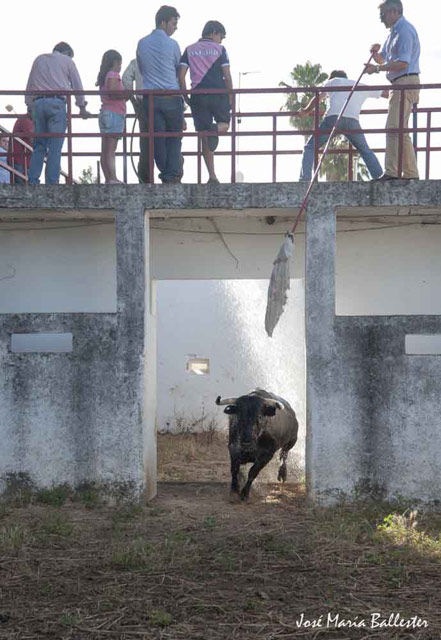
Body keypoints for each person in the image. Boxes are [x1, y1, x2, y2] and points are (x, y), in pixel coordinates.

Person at [365, 0, 420, 180]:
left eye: (384, 14)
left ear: (395, 11)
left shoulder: (404, 31)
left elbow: (402, 63)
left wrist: (377, 69)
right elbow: (387, 62)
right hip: (399, 82)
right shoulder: (393, 34)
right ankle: (409, 172)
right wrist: (376, 57)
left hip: (404, 81)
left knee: (394, 128)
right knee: (399, 129)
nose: (382, 19)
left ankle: (392, 171)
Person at [299, 71, 385, 182]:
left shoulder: (332, 81)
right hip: (353, 121)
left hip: (333, 119)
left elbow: (318, 99)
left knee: (310, 147)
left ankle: (305, 179)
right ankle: (379, 176)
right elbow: (386, 93)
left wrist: (306, 111)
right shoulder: (359, 84)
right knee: (364, 149)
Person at [25, 42, 91, 184]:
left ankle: (33, 180)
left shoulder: (39, 59)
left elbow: (30, 83)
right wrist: (81, 107)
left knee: (39, 145)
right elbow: (77, 85)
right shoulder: (67, 61)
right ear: (67, 52)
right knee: (55, 146)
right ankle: (52, 181)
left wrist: (29, 105)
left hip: (38, 103)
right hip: (57, 103)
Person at [179, 20, 232, 184]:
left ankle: (212, 176)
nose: (221, 41)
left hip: (198, 96)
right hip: (218, 93)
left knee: (204, 136)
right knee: (224, 124)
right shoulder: (221, 50)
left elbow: (180, 76)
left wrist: (186, 95)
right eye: (220, 37)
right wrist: (230, 97)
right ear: (214, 32)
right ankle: (214, 129)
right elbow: (227, 75)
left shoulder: (189, 49)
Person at [137, 5, 184, 183]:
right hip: (171, 96)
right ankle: (170, 175)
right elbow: (178, 69)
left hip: (151, 98)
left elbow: (141, 69)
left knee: (157, 138)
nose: (175, 27)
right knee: (174, 138)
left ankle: (164, 170)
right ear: (163, 22)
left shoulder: (142, 43)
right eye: (174, 23)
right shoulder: (173, 44)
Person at [97, 50, 127, 184]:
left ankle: (109, 177)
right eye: (120, 64)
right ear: (115, 62)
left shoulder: (104, 76)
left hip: (106, 112)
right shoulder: (113, 75)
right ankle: (112, 178)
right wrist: (127, 94)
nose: (120, 67)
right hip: (114, 113)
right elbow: (113, 93)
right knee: (111, 149)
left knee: (105, 148)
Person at [122, 58, 150, 183]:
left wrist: (133, 100)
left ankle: (145, 179)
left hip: (143, 103)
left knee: (146, 144)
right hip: (166, 102)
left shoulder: (137, 61)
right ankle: (171, 177)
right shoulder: (167, 56)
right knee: (168, 141)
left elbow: (126, 78)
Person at [7, 108, 34, 184]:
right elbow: (33, 139)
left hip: (23, 160)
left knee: (23, 186)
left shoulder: (28, 120)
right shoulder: (26, 121)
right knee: (23, 186)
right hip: (19, 160)